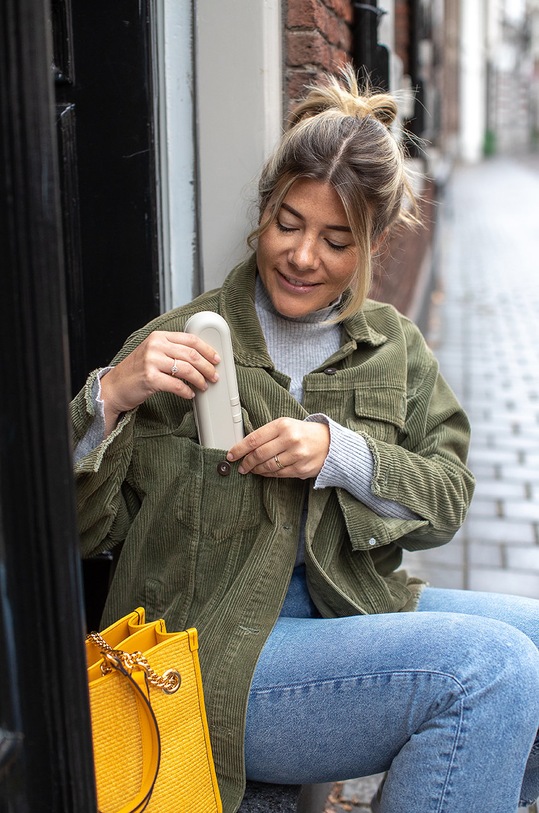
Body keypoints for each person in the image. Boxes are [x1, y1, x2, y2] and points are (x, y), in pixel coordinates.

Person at [72, 65, 539, 813]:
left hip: (354, 608)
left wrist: (340, 454)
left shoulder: (395, 347)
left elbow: (447, 499)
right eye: (288, 224)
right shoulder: (175, 346)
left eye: (335, 239)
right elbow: (75, 526)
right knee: (489, 668)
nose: (302, 257)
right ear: (263, 210)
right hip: (212, 651)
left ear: (374, 244)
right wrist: (109, 397)